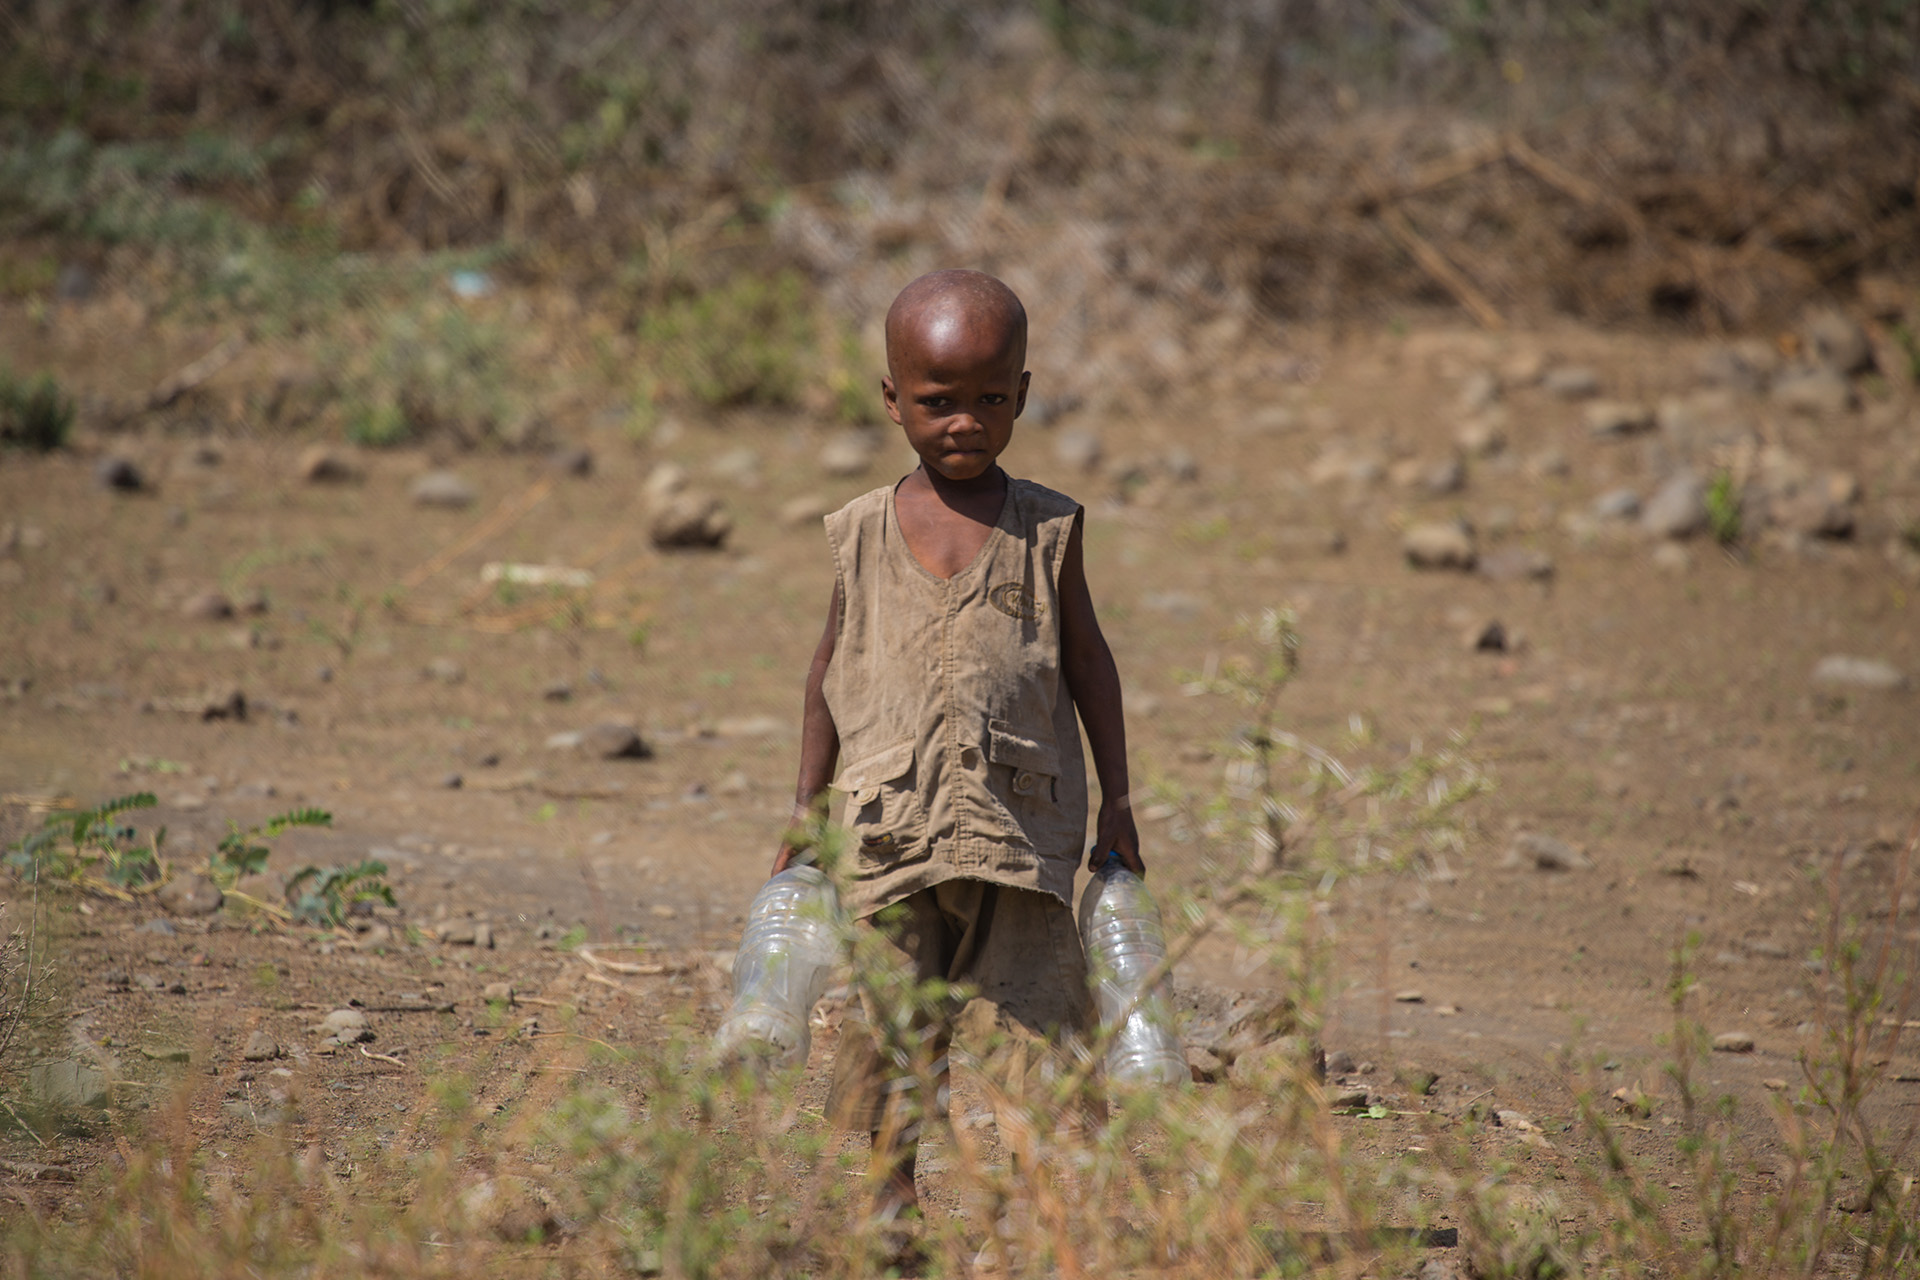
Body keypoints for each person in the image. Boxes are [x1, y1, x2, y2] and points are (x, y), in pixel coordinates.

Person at [769, 268, 1143, 1235]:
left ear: (1023, 392)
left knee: (1042, 1023)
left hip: (1020, 832)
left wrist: (1120, 803)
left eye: (990, 399)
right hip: (889, 832)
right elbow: (826, 672)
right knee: (892, 1026)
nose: (965, 422)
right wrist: (805, 809)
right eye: (938, 402)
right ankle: (890, 1206)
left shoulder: (1049, 527)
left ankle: (1060, 1211)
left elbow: (1092, 666)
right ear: (893, 401)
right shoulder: (858, 532)